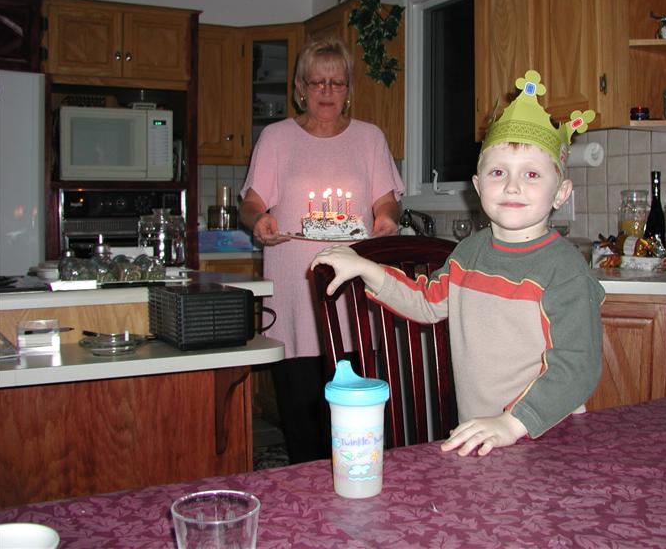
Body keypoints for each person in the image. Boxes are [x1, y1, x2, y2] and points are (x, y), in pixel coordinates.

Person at [311, 69, 604, 457]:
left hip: (545, 438)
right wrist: (369, 268)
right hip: (482, 438)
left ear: (561, 193)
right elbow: (426, 302)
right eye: (498, 172)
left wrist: (511, 423)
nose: (512, 185)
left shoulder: (564, 270)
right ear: (478, 186)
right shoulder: (468, 253)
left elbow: (577, 366)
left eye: (531, 174)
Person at [239, 37, 404, 463]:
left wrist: (386, 218)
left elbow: (387, 201)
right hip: (295, 296)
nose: (327, 91)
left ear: (349, 88)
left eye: (337, 82)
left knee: (354, 423)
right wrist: (259, 220)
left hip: (352, 297)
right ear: (299, 87)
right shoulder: (276, 138)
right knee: (302, 418)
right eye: (317, 82)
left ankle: (357, 482)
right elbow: (251, 203)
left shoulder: (369, 138)